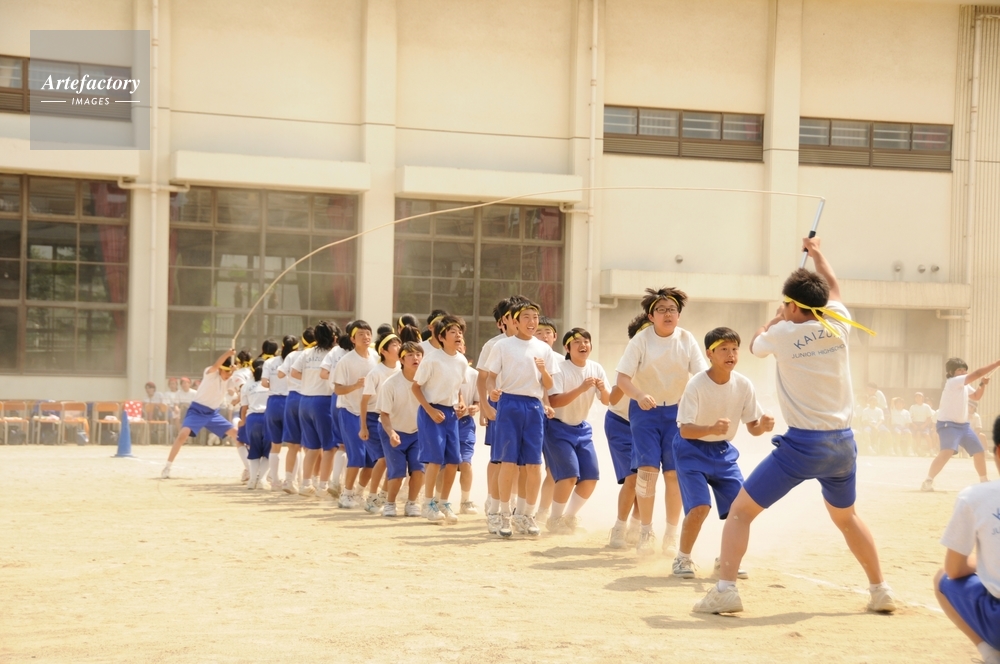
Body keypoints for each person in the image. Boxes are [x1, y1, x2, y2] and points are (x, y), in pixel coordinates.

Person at [695, 237, 897, 615]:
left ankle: (726, 590)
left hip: (804, 445)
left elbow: (755, 345)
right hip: (843, 444)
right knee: (847, 517)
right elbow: (834, 286)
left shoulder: (781, 333)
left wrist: (774, 320)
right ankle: (880, 589)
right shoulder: (838, 322)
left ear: (791, 305)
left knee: (740, 512)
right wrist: (817, 253)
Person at [671, 327, 773, 579]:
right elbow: (685, 430)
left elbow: (753, 427)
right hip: (690, 449)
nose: (731, 354)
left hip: (723, 451)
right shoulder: (696, 384)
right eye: (724, 349)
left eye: (735, 349)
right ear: (709, 354)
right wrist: (710, 428)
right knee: (700, 507)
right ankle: (682, 558)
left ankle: (727, 560)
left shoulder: (743, 384)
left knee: (741, 509)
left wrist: (763, 426)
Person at [615, 287, 707, 557]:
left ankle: (671, 534)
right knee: (647, 473)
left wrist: (691, 400)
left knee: (673, 475)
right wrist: (639, 395)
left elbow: (701, 375)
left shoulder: (687, 339)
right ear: (651, 316)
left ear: (679, 315)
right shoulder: (641, 340)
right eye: (661, 310)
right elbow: (622, 378)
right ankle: (646, 532)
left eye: (672, 310)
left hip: (676, 414)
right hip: (645, 412)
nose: (668, 314)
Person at [483, 301, 559, 538]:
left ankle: (526, 514)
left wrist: (543, 371)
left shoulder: (543, 349)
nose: (532, 321)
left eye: (535, 316)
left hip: (534, 406)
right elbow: (490, 377)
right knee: (508, 462)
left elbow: (549, 384)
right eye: (526, 317)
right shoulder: (503, 346)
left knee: (533, 464)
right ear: (515, 321)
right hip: (509, 404)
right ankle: (504, 514)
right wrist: (492, 392)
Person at [933, 416, 1000, 664]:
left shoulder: (975, 497)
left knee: (942, 577)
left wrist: (984, 563)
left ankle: (990, 654)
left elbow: (955, 569)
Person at [544, 327, 610, 534]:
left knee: (590, 478)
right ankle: (554, 519)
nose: (583, 345)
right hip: (557, 427)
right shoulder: (559, 368)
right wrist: (581, 388)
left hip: (581, 428)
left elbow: (607, 400)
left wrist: (603, 390)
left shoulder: (596, 368)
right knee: (569, 476)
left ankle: (569, 518)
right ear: (567, 348)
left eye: (586, 341)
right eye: (577, 342)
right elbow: (554, 401)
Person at [412, 314, 470, 524]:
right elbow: (415, 387)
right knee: (435, 460)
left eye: (460, 332)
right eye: (452, 332)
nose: (458, 335)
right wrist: (429, 410)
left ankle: (443, 501)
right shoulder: (432, 359)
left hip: (451, 414)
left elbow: (458, 387)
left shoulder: (461, 360)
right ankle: (428, 503)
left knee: (454, 461)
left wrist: (461, 402)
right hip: (431, 412)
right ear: (441, 337)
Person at [922, 356, 1000, 491]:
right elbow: (977, 373)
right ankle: (928, 481)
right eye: (959, 370)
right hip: (948, 424)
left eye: (964, 370)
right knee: (947, 452)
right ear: (951, 372)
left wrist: (982, 384)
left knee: (979, 451)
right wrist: (997, 363)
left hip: (963, 426)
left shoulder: (964, 385)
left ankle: (984, 481)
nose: (963, 372)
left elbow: (976, 396)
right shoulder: (953, 382)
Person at [606, 313, 649, 549]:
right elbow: (612, 399)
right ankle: (619, 528)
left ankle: (636, 525)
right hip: (620, 422)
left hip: (646, 425)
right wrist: (629, 381)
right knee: (632, 478)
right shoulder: (628, 359)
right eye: (644, 331)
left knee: (646, 478)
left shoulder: (667, 358)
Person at [161, 350, 239, 478]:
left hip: (213, 413)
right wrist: (228, 354)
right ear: (220, 369)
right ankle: (167, 467)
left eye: (230, 372)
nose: (228, 375)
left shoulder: (230, 379)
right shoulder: (210, 373)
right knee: (183, 434)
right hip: (197, 410)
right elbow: (216, 365)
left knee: (236, 434)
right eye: (226, 372)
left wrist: (235, 372)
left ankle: (249, 469)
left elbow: (234, 388)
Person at [333, 320, 379, 508]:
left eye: (368, 333)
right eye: (361, 334)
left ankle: (359, 493)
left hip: (371, 412)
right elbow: (337, 389)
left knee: (372, 459)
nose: (366, 337)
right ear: (352, 339)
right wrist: (355, 386)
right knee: (356, 455)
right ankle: (346, 494)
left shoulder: (376, 357)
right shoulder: (346, 361)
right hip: (350, 411)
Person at [378, 342, 427, 517]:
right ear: (401, 360)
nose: (415, 358)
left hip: (417, 432)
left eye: (418, 355)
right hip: (393, 431)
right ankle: (390, 504)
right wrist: (391, 433)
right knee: (397, 472)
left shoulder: (426, 381)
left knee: (419, 470)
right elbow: (384, 414)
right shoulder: (390, 384)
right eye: (410, 355)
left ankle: (412, 503)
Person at [291, 321, 339, 498]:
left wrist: (309, 379)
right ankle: (323, 486)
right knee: (330, 447)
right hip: (323, 401)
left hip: (305, 401)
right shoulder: (334, 353)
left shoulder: (307, 352)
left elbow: (294, 372)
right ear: (334, 337)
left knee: (312, 447)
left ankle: (305, 484)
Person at [358, 330, 401, 512]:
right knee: (383, 459)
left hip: (394, 420)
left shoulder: (402, 369)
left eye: (399, 344)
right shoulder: (375, 373)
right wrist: (363, 427)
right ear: (383, 351)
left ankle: (383, 495)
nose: (399, 348)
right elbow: (364, 401)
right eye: (394, 345)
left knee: (394, 460)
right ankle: (372, 496)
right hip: (373, 418)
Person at [279, 327, 313, 493]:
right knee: (311, 445)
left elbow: (280, 374)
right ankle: (307, 481)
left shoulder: (293, 355)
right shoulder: (318, 355)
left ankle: (288, 480)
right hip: (308, 397)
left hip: (292, 398)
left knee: (293, 445)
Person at [262, 335, 296, 490]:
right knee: (294, 446)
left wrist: (275, 386)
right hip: (289, 401)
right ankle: (292, 480)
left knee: (275, 445)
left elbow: (264, 383)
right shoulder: (295, 359)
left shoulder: (269, 362)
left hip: (273, 402)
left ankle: (274, 481)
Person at [456, 339, 480, 514]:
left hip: (465, 424)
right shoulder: (440, 371)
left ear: (465, 348)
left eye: (460, 344)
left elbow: (478, 401)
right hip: (444, 422)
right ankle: (438, 500)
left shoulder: (474, 374)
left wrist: (475, 408)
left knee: (466, 463)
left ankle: (465, 501)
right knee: (445, 465)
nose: (457, 348)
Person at [241, 359, 271, 490]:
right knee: (269, 451)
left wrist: (243, 421)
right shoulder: (270, 383)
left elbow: (244, 407)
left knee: (254, 450)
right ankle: (262, 480)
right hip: (268, 417)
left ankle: (252, 480)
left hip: (252, 419)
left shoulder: (246, 386)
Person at [910, 392, 937, 456]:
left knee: (927, 434)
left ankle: (931, 450)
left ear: (922, 398)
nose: (918, 398)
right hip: (915, 424)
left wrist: (924, 425)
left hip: (924, 424)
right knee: (918, 433)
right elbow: (909, 418)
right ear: (915, 399)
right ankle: (919, 450)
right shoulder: (912, 407)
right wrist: (914, 425)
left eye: (920, 396)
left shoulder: (927, 406)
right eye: (916, 397)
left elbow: (929, 417)